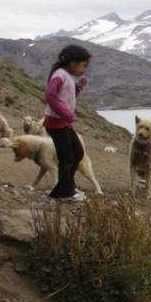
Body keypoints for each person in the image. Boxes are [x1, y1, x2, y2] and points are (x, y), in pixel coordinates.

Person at [43, 44, 91, 201]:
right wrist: (67, 114)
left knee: (77, 153)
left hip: (62, 123)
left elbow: (67, 98)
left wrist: (79, 88)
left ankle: (63, 189)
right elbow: (50, 95)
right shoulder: (60, 75)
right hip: (56, 123)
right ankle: (66, 192)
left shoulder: (66, 76)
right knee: (67, 158)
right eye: (83, 65)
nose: (84, 69)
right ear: (73, 63)